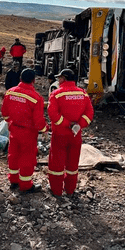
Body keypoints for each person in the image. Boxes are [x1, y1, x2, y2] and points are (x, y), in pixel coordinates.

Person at [47, 69, 94, 197]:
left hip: (60, 135)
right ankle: (70, 190)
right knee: (72, 165)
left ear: (64, 78)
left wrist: (67, 123)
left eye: (60, 77)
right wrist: (79, 124)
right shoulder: (83, 94)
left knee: (57, 164)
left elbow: (53, 114)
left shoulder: (56, 94)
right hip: (76, 135)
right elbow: (89, 114)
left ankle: (56, 191)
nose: (58, 80)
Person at [1, 69, 48, 194]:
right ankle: (26, 185)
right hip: (28, 133)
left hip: (14, 129)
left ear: (20, 78)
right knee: (27, 158)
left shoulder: (10, 92)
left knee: (13, 155)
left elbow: (5, 113)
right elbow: (38, 121)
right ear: (33, 80)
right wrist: (45, 130)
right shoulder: (36, 98)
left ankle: (13, 181)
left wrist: (11, 122)